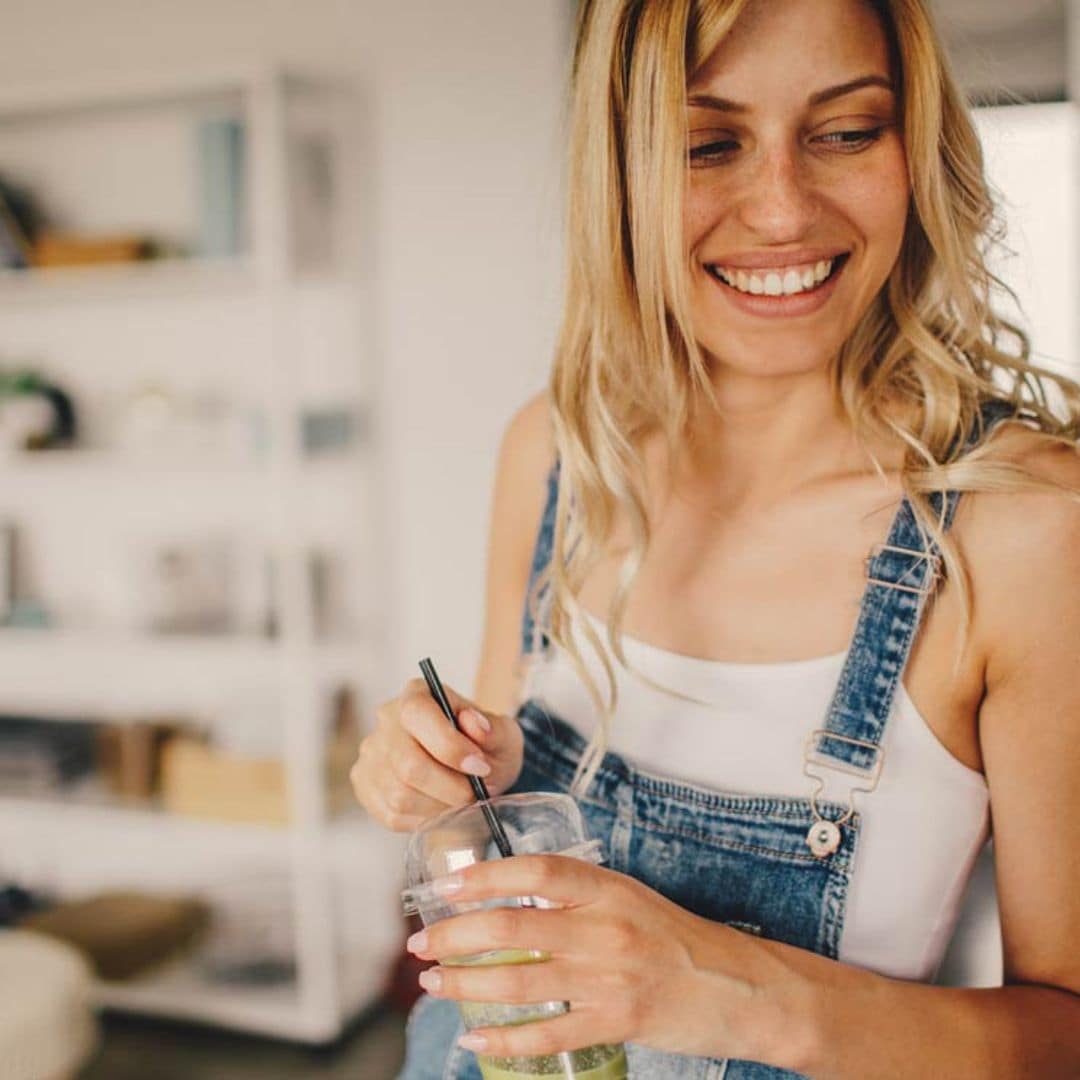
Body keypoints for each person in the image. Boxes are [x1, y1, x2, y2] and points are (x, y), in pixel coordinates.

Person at [351, 1, 1080, 1076]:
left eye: (844, 132)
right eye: (708, 143)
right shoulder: (557, 448)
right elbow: (488, 785)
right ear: (623, 172)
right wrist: (438, 779)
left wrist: (726, 992)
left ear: (914, 145)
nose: (783, 211)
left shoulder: (1026, 533)